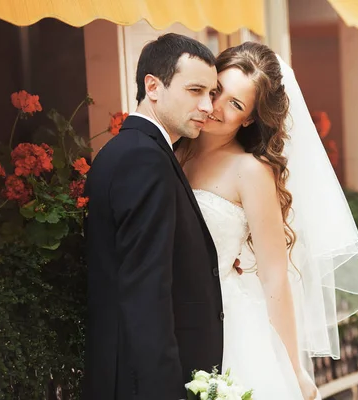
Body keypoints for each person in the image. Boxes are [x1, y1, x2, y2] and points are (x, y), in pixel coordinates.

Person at [177, 42, 358, 400]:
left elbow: (274, 276)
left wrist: (293, 369)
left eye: (236, 104)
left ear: (250, 118)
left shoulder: (249, 171)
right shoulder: (174, 149)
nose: (218, 108)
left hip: (227, 325)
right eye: (218, 90)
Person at [83, 33, 224, 400]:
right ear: (153, 86)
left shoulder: (132, 150)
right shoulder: (143, 159)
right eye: (195, 90)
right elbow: (146, 291)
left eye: (212, 93)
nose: (208, 106)